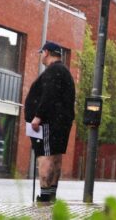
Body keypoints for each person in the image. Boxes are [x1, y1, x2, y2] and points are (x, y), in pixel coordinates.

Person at [24, 41, 76, 203]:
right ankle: (51, 194)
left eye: (42, 53)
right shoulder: (64, 71)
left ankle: (45, 196)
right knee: (55, 157)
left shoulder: (53, 72)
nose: (41, 56)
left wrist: (38, 116)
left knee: (45, 156)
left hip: (48, 123)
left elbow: (49, 95)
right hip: (61, 122)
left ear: (46, 52)